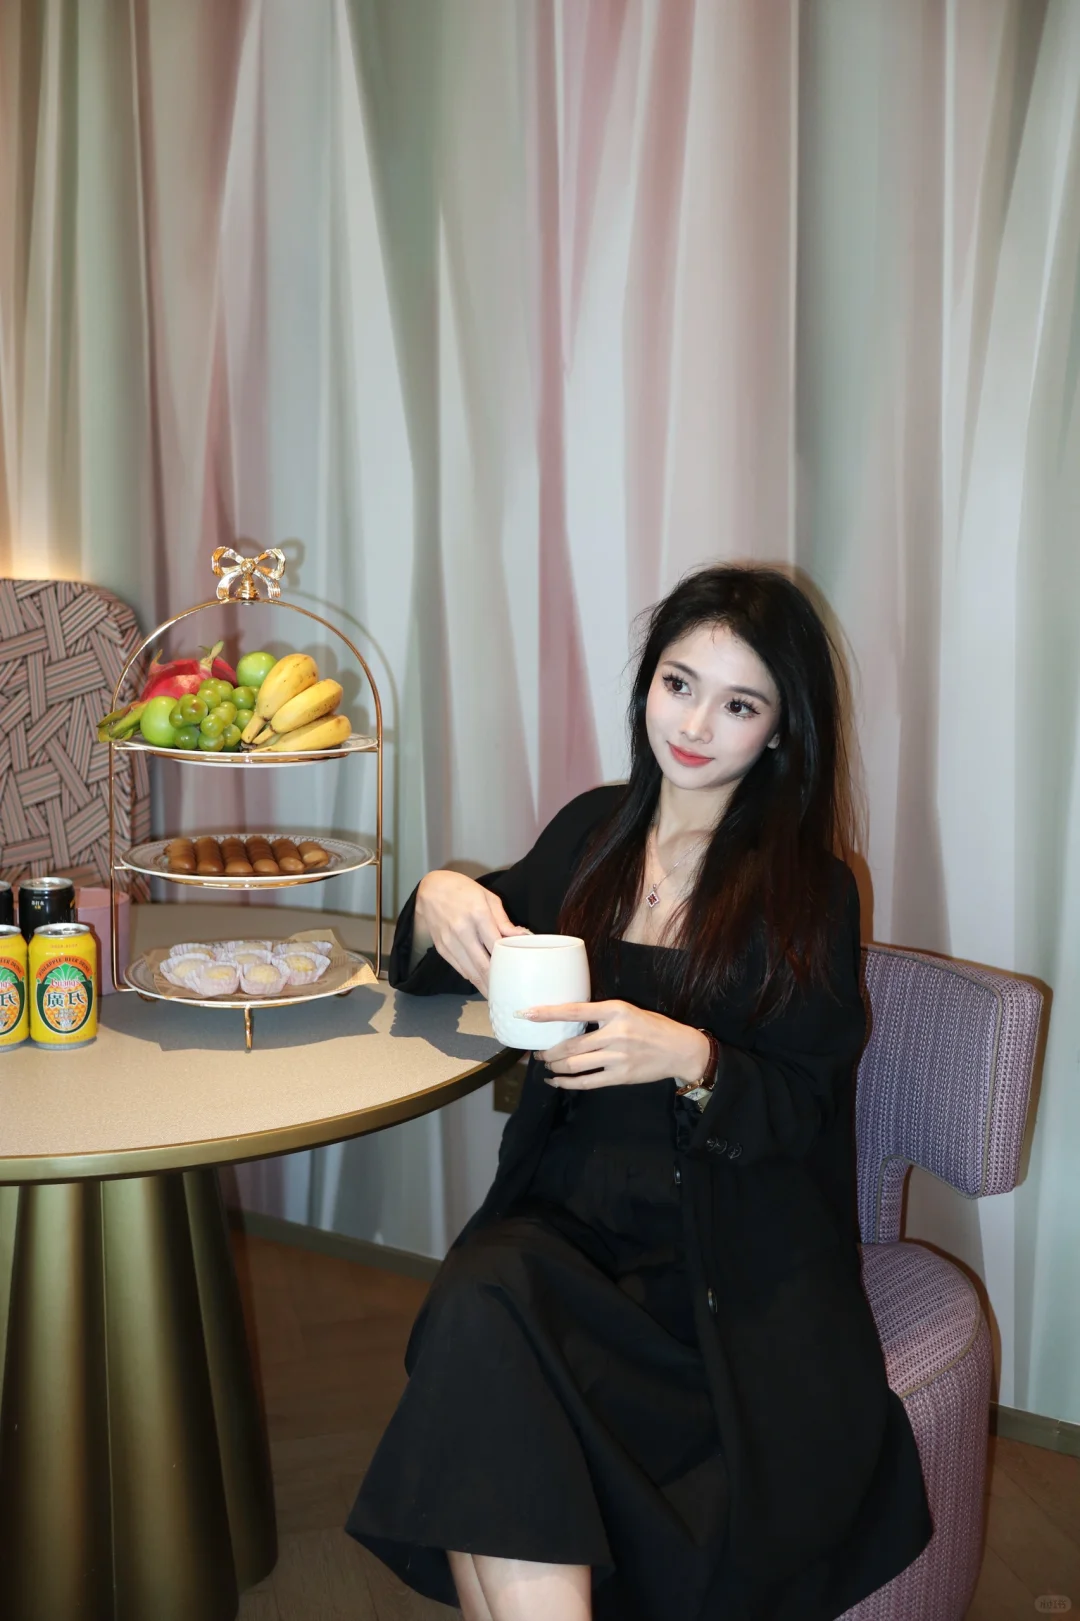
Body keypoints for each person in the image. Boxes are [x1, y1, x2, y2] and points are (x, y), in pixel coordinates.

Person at [346, 564, 933, 1621]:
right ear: (648, 684)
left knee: (480, 1354)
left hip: (719, 1272)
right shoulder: (592, 834)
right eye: (679, 684)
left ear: (781, 731)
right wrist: (435, 897)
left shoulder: (809, 888)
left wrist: (694, 1058)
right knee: (485, 1297)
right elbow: (446, 963)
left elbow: (804, 1105)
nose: (696, 725)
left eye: (740, 704)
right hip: (562, 1231)